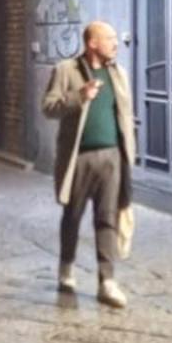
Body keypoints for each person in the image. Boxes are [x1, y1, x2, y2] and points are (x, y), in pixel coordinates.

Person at [41, 20, 135, 308]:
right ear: (92, 42)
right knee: (73, 215)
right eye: (110, 38)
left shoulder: (118, 73)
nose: (115, 43)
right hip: (78, 158)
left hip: (111, 157)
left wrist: (127, 154)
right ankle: (66, 268)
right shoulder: (66, 71)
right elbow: (49, 107)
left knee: (107, 217)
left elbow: (124, 115)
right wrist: (79, 96)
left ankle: (107, 281)